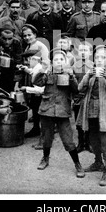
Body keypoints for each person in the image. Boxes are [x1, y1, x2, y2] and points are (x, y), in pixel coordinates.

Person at [33, 48, 85, 178]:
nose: (59, 62)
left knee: (68, 140)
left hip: (62, 112)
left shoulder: (68, 75)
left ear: (66, 61)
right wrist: (43, 69)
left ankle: (77, 163)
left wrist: (71, 76)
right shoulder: (48, 74)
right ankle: (45, 158)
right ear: (52, 62)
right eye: (56, 60)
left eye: (61, 59)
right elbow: (36, 82)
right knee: (46, 138)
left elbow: (76, 90)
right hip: (47, 110)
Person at [77, 45, 106, 186]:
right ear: (93, 59)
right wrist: (88, 75)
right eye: (97, 57)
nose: (100, 60)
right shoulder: (90, 71)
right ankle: (98, 162)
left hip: (105, 111)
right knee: (93, 137)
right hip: (91, 109)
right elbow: (79, 87)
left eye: (103, 57)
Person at [72, 41, 94, 153]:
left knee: (89, 119)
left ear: (90, 52)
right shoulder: (74, 66)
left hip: (90, 96)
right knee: (78, 120)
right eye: (81, 50)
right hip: (78, 97)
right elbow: (72, 82)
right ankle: (81, 142)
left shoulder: (93, 66)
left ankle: (89, 142)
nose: (83, 53)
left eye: (85, 50)